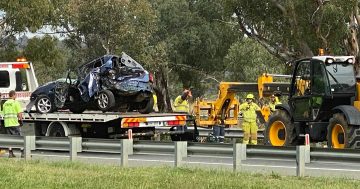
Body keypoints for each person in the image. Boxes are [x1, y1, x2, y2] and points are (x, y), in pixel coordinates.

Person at [2, 90, 23, 158]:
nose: (16, 96)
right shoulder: (15, 102)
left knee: (9, 139)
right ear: (13, 95)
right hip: (14, 123)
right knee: (19, 138)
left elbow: (3, 113)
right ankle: (22, 152)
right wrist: (20, 120)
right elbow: (19, 113)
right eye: (15, 95)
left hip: (7, 123)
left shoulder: (5, 103)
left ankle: (10, 153)